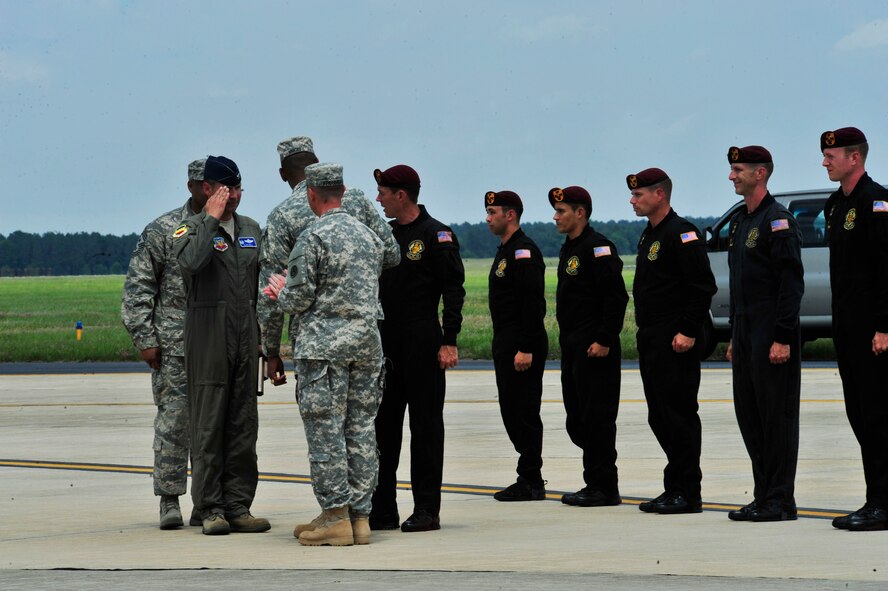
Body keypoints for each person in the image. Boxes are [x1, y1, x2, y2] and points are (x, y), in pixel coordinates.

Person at [263, 163, 385, 546]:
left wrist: (279, 291)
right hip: (366, 345)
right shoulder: (369, 236)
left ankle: (335, 516)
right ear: (343, 191)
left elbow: (298, 298)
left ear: (312, 195)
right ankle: (360, 517)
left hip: (324, 349)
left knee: (326, 431)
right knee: (361, 430)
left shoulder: (311, 236)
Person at [173, 155, 270, 536]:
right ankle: (209, 507)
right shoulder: (188, 229)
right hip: (208, 335)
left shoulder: (251, 229)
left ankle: (238, 505)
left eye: (238, 189)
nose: (233, 197)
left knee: (243, 424)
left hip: (245, 334)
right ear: (209, 189)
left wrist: (262, 338)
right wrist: (209, 219)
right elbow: (192, 264)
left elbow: (260, 286)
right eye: (226, 190)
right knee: (209, 425)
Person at [257, 136, 399, 387]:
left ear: (282, 174)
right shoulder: (355, 199)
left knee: (323, 423)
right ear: (318, 165)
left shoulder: (282, 216)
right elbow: (392, 254)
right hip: (364, 336)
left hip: (316, 342)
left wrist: (272, 351)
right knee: (362, 423)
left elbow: (271, 291)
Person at [370, 164, 466, 532]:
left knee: (425, 429)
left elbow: (453, 291)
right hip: (387, 342)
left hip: (423, 339)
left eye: (383, 192)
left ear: (401, 194)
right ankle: (383, 508)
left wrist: (450, 340)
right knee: (384, 429)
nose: (378, 198)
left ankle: (426, 508)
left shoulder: (435, 235)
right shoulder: (384, 235)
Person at [121, 158, 206, 529]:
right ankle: (169, 500)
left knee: (215, 427)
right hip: (174, 344)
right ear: (191, 186)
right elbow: (139, 287)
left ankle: (209, 500)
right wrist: (145, 337)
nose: (216, 191)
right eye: (207, 184)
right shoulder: (165, 229)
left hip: (218, 343)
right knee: (174, 423)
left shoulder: (236, 228)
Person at [628, 168, 716, 514]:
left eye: (639, 195)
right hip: (652, 336)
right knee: (659, 415)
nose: (633, 201)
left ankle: (687, 492)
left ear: (659, 195)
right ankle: (674, 485)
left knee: (678, 414)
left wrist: (689, 330)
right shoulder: (650, 235)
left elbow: (702, 286)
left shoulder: (682, 233)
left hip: (675, 337)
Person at [725, 145, 804, 522]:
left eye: (738, 169)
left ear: (761, 173)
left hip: (772, 334)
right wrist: (733, 336)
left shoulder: (778, 221)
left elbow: (791, 285)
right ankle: (762, 495)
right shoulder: (742, 221)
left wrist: (783, 337)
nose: (732, 176)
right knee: (751, 416)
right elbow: (742, 286)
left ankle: (779, 499)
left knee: (777, 418)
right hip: (745, 334)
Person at [821, 127, 888, 531]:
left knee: (879, 414)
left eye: (832, 155)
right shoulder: (834, 204)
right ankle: (875, 497)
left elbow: (885, 269)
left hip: (873, 332)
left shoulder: (876, 202)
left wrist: (883, 325)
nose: (825, 161)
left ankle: (881, 504)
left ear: (855, 158)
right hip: (847, 329)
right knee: (859, 414)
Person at [549, 185, 628, 507]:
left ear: (580, 213)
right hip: (573, 344)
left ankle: (603, 486)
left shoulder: (598, 248)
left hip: (595, 345)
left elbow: (616, 298)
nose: (556, 217)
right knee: (577, 419)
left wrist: (605, 339)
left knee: (597, 419)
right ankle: (595, 480)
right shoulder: (570, 248)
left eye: (562, 211)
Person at [484, 190, 548, 502]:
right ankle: (528, 476)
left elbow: (532, 304)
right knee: (511, 409)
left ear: (510, 215)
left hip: (521, 342)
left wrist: (526, 347)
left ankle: (531, 480)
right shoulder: (506, 250)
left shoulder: (523, 252)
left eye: (493, 212)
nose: (488, 218)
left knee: (523, 411)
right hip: (506, 339)